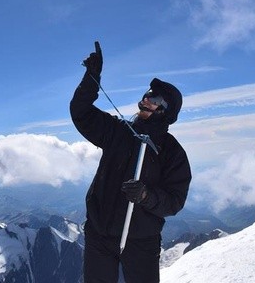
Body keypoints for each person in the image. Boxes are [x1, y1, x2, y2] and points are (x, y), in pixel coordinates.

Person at [70, 42, 191, 283]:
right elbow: (80, 112)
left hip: (141, 241)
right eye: (146, 94)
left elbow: (175, 201)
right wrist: (91, 78)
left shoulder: (172, 152)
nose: (146, 99)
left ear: (166, 111)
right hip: (99, 235)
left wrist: (146, 196)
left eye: (154, 98)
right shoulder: (117, 131)